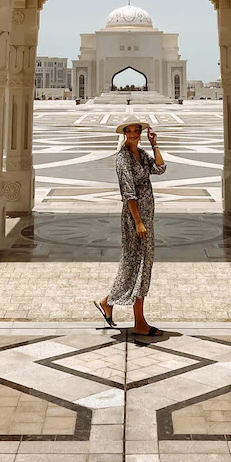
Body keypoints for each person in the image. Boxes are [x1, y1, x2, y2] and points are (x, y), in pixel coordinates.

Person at [94, 118, 167, 336]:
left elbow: (161, 169)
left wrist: (155, 145)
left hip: (146, 218)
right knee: (138, 264)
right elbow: (129, 194)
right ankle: (139, 322)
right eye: (130, 130)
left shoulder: (142, 155)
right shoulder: (123, 159)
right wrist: (138, 222)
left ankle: (107, 303)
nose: (134, 133)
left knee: (137, 265)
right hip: (135, 220)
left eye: (137, 130)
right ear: (125, 133)